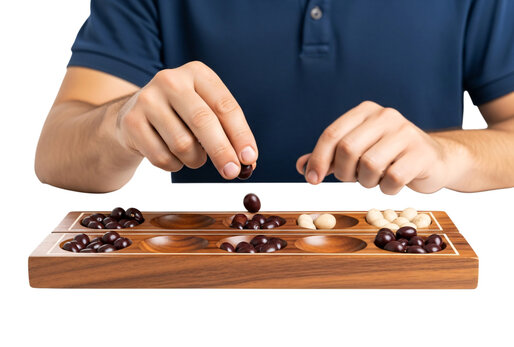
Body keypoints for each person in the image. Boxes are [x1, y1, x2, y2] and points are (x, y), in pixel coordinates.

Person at [35, 0, 514, 194]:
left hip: (413, 290)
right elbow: (56, 152)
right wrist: (121, 123)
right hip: (205, 292)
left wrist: (447, 153)